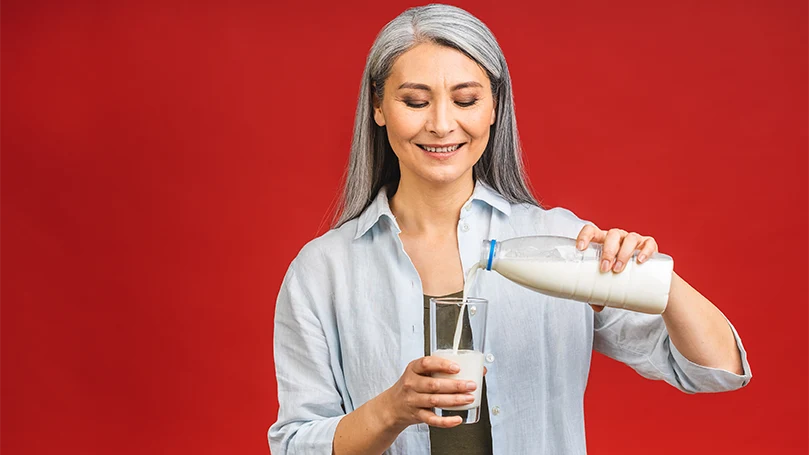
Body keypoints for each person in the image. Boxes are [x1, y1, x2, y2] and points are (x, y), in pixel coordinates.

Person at [268, 4, 751, 454]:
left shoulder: (563, 244)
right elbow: (293, 444)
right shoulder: (323, 271)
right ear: (378, 108)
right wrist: (389, 410)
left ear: (494, 107)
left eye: (466, 99)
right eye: (415, 101)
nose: (441, 124)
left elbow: (716, 371)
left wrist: (657, 281)